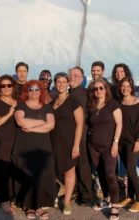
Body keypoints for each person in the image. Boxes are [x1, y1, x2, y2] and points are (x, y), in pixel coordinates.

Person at [12, 80, 56, 220]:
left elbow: (51, 126)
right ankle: (29, 206)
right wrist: (41, 123)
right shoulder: (21, 105)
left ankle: (39, 206)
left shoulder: (47, 107)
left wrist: (31, 128)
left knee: (41, 175)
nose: (34, 91)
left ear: (41, 91)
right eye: (31, 89)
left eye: (37, 89)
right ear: (27, 91)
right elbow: (21, 122)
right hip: (25, 146)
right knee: (27, 174)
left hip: (42, 146)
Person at [87, 79, 122, 220]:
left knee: (110, 174)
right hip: (93, 146)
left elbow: (119, 124)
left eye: (101, 88)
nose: (98, 91)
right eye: (95, 89)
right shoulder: (92, 106)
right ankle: (106, 198)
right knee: (100, 173)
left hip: (109, 146)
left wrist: (115, 142)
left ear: (106, 89)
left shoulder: (113, 104)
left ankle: (115, 204)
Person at [51, 72, 84, 215]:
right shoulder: (51, 102)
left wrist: (76, 145)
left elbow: (80, 124)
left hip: (69, 142)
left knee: (69, 171)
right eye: (58, 82)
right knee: (52, 170)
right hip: (53, 141)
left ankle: (67, 202)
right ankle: (53, 196)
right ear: (55, 84)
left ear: (68, 84)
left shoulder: (73, 101)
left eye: (64, 82)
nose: (61, 84)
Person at [115, 77, 139, 213]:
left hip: (133, 141)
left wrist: (138, 141)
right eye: (123, 86)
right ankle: (130, 197)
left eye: (128, 86)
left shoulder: (137, 102)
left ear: (132, 87)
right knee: (128, 170)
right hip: (121, 141)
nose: (125, 88)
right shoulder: (117, 103)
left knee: (131, 169)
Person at [0, 75, 18, 214]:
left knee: (13, 170)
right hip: (2, 141)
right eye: (3, 85)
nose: (6, 88)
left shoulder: (17, 101)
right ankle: (3, 199)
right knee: (3, 171)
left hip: (16, 141)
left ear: (13, 87)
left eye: (9, 85)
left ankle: (12, 197)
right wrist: (9, 114)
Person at [68, 66, 93, 205]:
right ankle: (78, 191)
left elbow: (82, 118)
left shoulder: (82, 93)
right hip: (72, 136)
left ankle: (86, 195)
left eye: (76, 75)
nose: (72, 77)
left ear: (82, 79)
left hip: (81, 136)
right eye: (70, 75)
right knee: (74, 165)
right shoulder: (71, 93)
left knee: (83, 165)